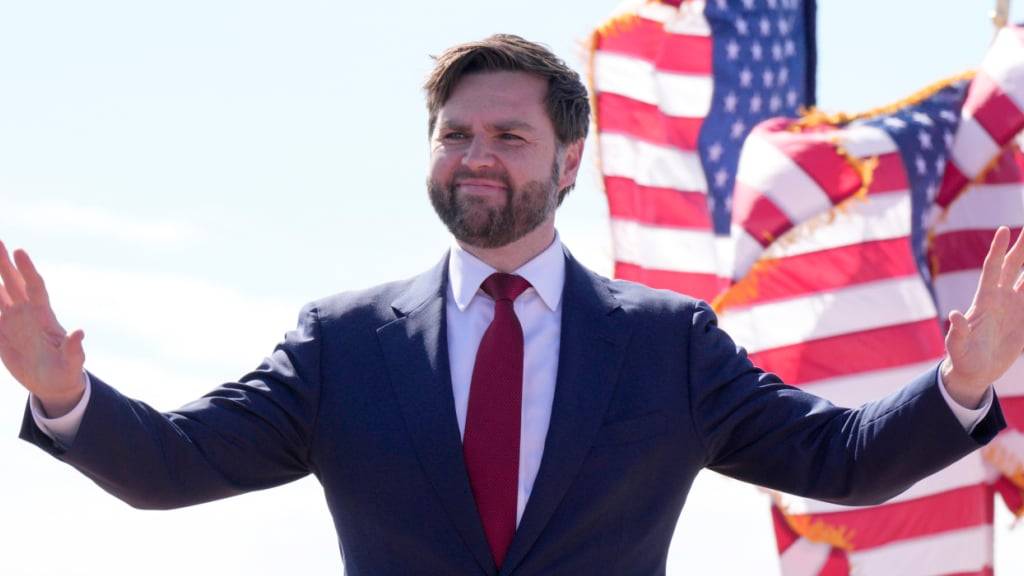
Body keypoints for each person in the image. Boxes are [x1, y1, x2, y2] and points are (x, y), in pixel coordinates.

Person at [2, 34, 1021, 576]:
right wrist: (68, 399)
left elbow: (838, 463)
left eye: (507, 137)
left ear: (569, 160)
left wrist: (962, 382)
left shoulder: (665, 345)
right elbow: (174, 469)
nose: (475, 156)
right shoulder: (342, 345)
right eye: (454, 135)